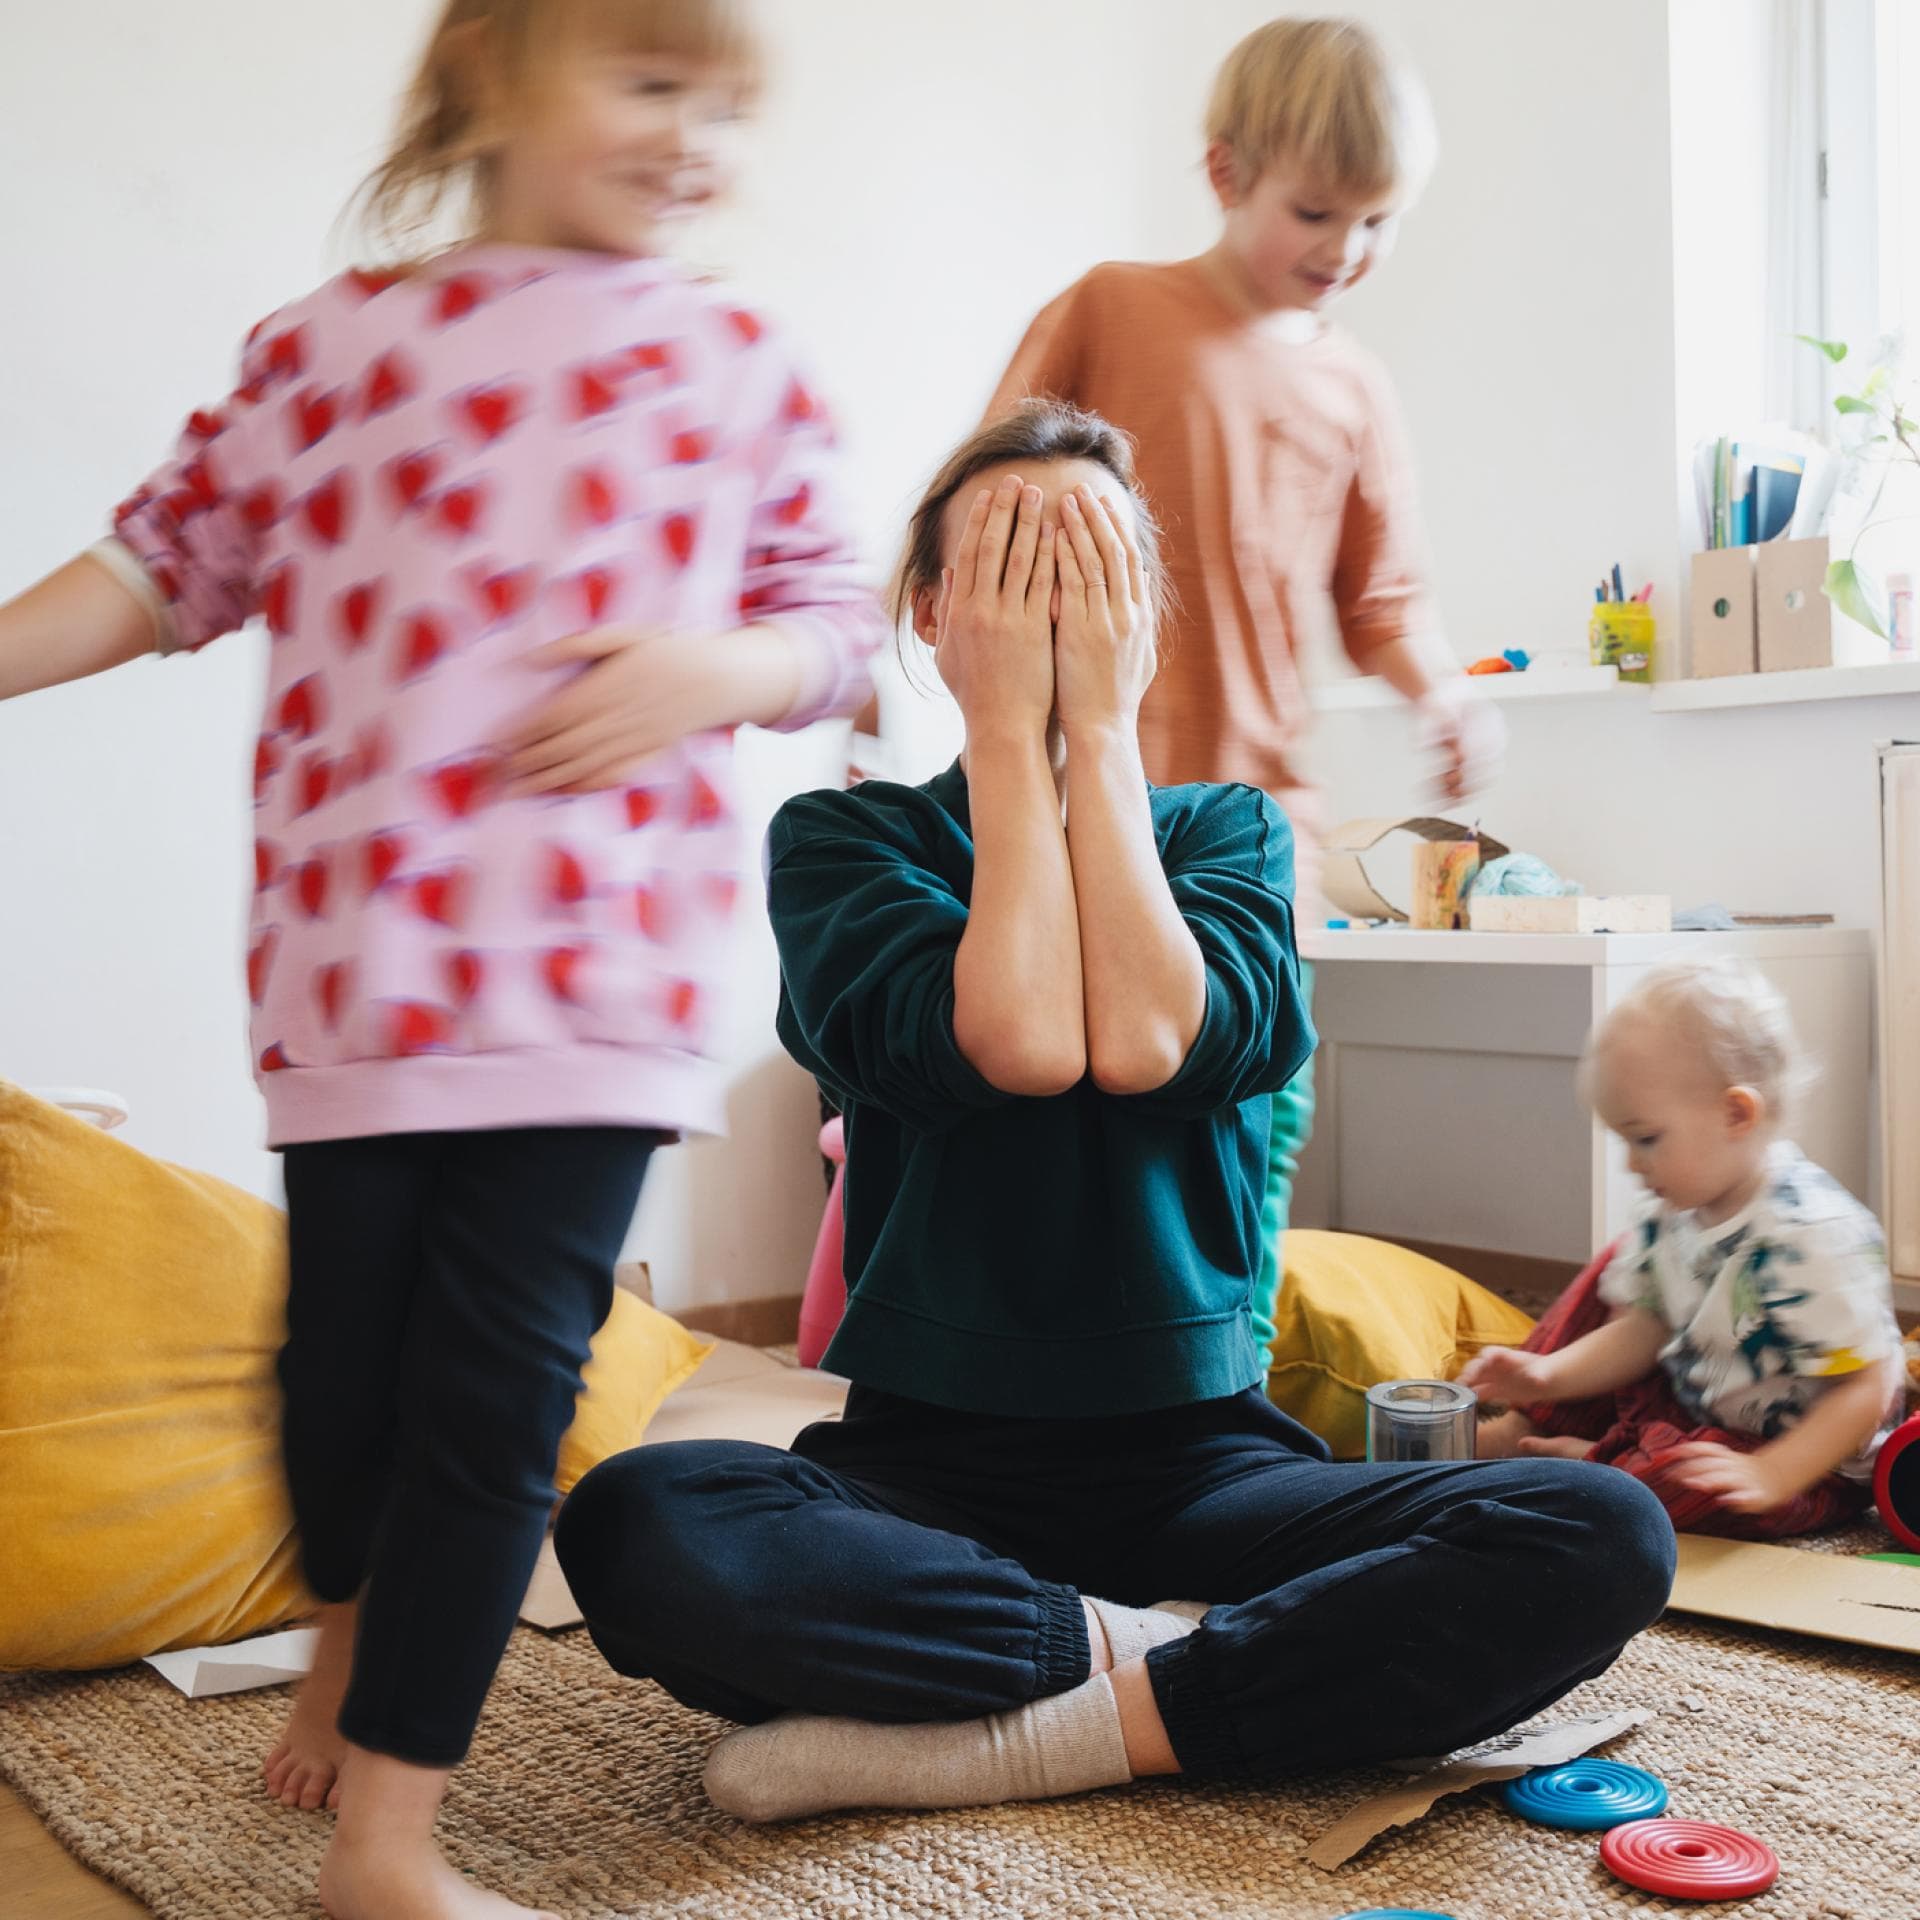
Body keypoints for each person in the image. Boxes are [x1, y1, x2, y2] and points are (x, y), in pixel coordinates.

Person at [0, 2, 880, 1911]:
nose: (695, 137)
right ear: (489, 71)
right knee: (336, 1389)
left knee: (494, 1408)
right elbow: (161, 563)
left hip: (600, 996)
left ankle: (388, 1842)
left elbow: (838, 621)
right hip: (359, 987)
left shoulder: (738, 358)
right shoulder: (328, 350)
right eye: (649, 81)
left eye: (724, 104)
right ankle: (344, 1625)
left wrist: (712, 668)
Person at [553, 402, 1673, 1825]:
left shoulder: (1228, 833)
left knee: (1601, 1528)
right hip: (920, 1471)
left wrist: (1095, 726)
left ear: (1141, 618)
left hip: (1205, 1468)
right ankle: (1186, 1669)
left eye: (1089, 572)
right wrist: (1007, 733)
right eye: (1011, 568)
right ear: (933, 613)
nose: (1051, 606)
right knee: (640, 1522)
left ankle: (1047, 1721)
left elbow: (1145, 1041)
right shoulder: (847, 841)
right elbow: (1023, 1040)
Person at [975, 17, 1505, 1370]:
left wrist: (1442, 695)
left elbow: (1383, 601)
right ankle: (1066, 1389)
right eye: (1316, 212)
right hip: (1081, 804)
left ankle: (1234, 1385)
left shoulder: (1355, 389)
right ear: (1225, 173)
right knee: (1074, 1123)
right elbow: (988, 490)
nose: (1348, 249)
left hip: (1260, 824)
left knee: (1258, 1117)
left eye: (1379, 220)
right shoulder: (1112, 309)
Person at [1468, 958, 1905, 1540]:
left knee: (1684, 1488)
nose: (1631, 1163)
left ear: (1735, 1114)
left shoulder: (1810, 1234)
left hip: (1799, 1456)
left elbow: (1867, 1389)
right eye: (1624, 1140)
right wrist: (1546, 1375)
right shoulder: (1671, 1209)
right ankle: (1529, 1427)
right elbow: (1645, 1328)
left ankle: (1597, 1465)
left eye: (1646, 1138)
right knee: (1616, 1270)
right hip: (1692, 1397)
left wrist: (1772, 1473)